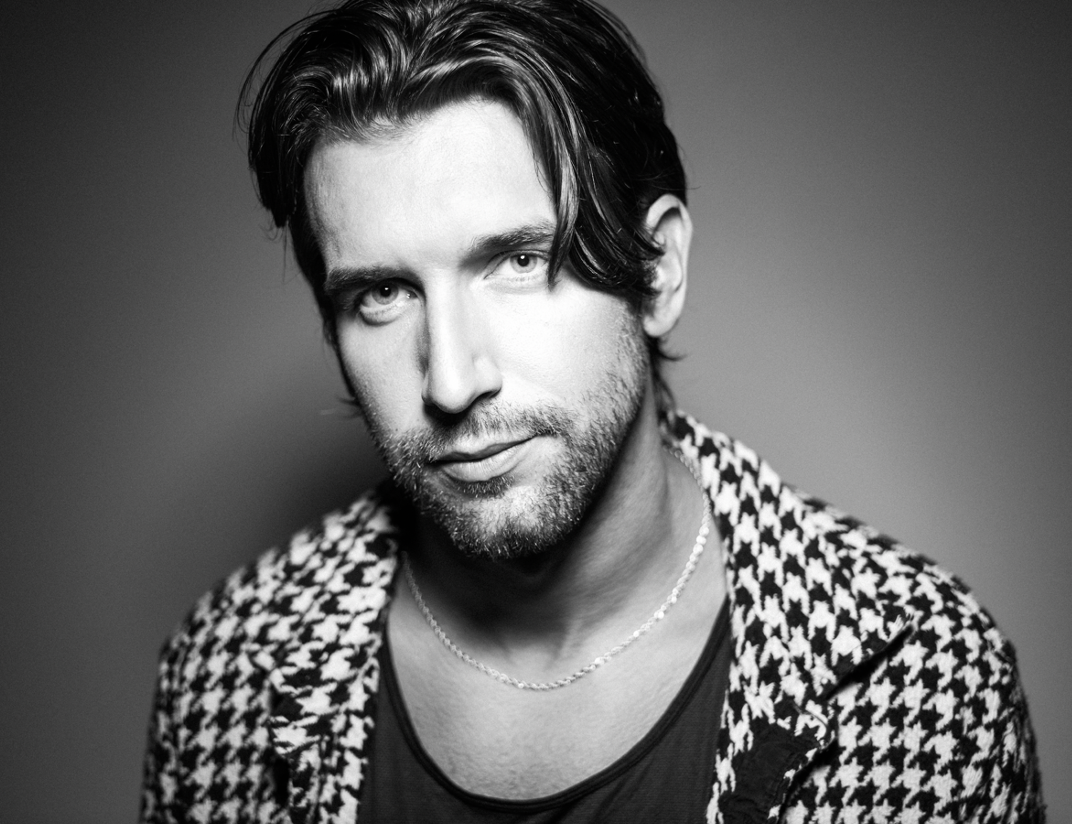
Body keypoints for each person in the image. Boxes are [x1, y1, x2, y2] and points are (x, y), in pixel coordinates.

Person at [140, 0, 1043, 821]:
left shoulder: (916, 679)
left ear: (657, 271)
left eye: (519, 262)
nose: (451, 382)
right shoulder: (229, 673)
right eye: (382, 293)